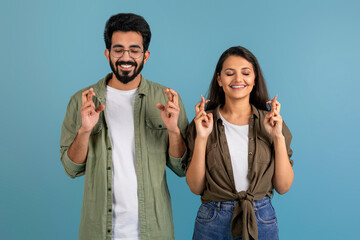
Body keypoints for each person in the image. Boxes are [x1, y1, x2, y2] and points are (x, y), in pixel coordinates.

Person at [60, 13, 188, 240]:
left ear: (145, 55)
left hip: (154, 232)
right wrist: (85, 131)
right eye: (118, 50)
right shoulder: (82, 101)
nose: (125, 57)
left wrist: (174, 131)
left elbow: (181, 167)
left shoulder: (167, 99)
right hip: (98, 232)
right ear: (107, 53)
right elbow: (71, 168)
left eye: (134, 50)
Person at [184, 46, 294, 240]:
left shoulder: (273, 122)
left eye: (245, 73)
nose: (237, 79)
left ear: (254, 79)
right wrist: (202, 137)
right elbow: (196, 187)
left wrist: (277, 137)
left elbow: (283, 186)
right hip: (212, 220)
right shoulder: (202, 123)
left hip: (261, 218)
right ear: (219, 79)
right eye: (229, 73)